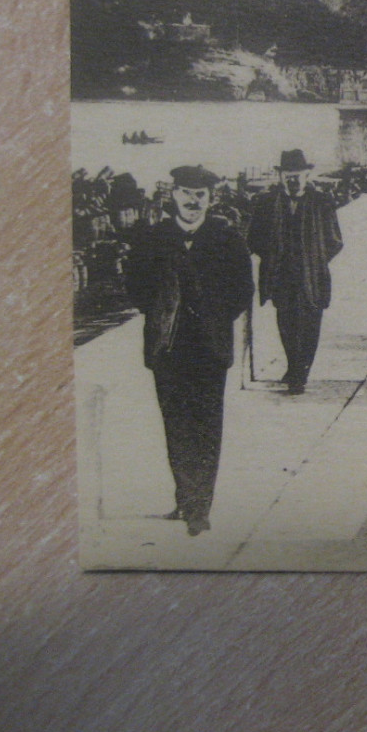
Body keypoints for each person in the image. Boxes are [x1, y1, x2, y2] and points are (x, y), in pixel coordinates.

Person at [125, 165, 253, 536]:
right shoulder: (153, 238)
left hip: (209, 349)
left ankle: (200, 507)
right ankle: (185, 496)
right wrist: (163, 310)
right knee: (176, 424)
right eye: (186, 193)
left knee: (207, 425)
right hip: (168, 348)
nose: (192, 201)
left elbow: (242, 290)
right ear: (173, 196)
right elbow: (135, 286)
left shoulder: (227, 240)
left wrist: (213, 316)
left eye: (201, 195)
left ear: (211, 200)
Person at [248, 149, 344, 394]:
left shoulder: (322, 202)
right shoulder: (267, 203)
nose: (292, 181)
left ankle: (300, 374)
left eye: (297, 176)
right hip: (281, 276)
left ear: (307, 174)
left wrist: (315, 259)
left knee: (310, 325)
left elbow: (335, 241)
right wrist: (273, 256)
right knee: (286, 324)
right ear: (280, 177)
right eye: (288, 176)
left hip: (312, 277)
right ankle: (293, 365)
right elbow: (254, 239)